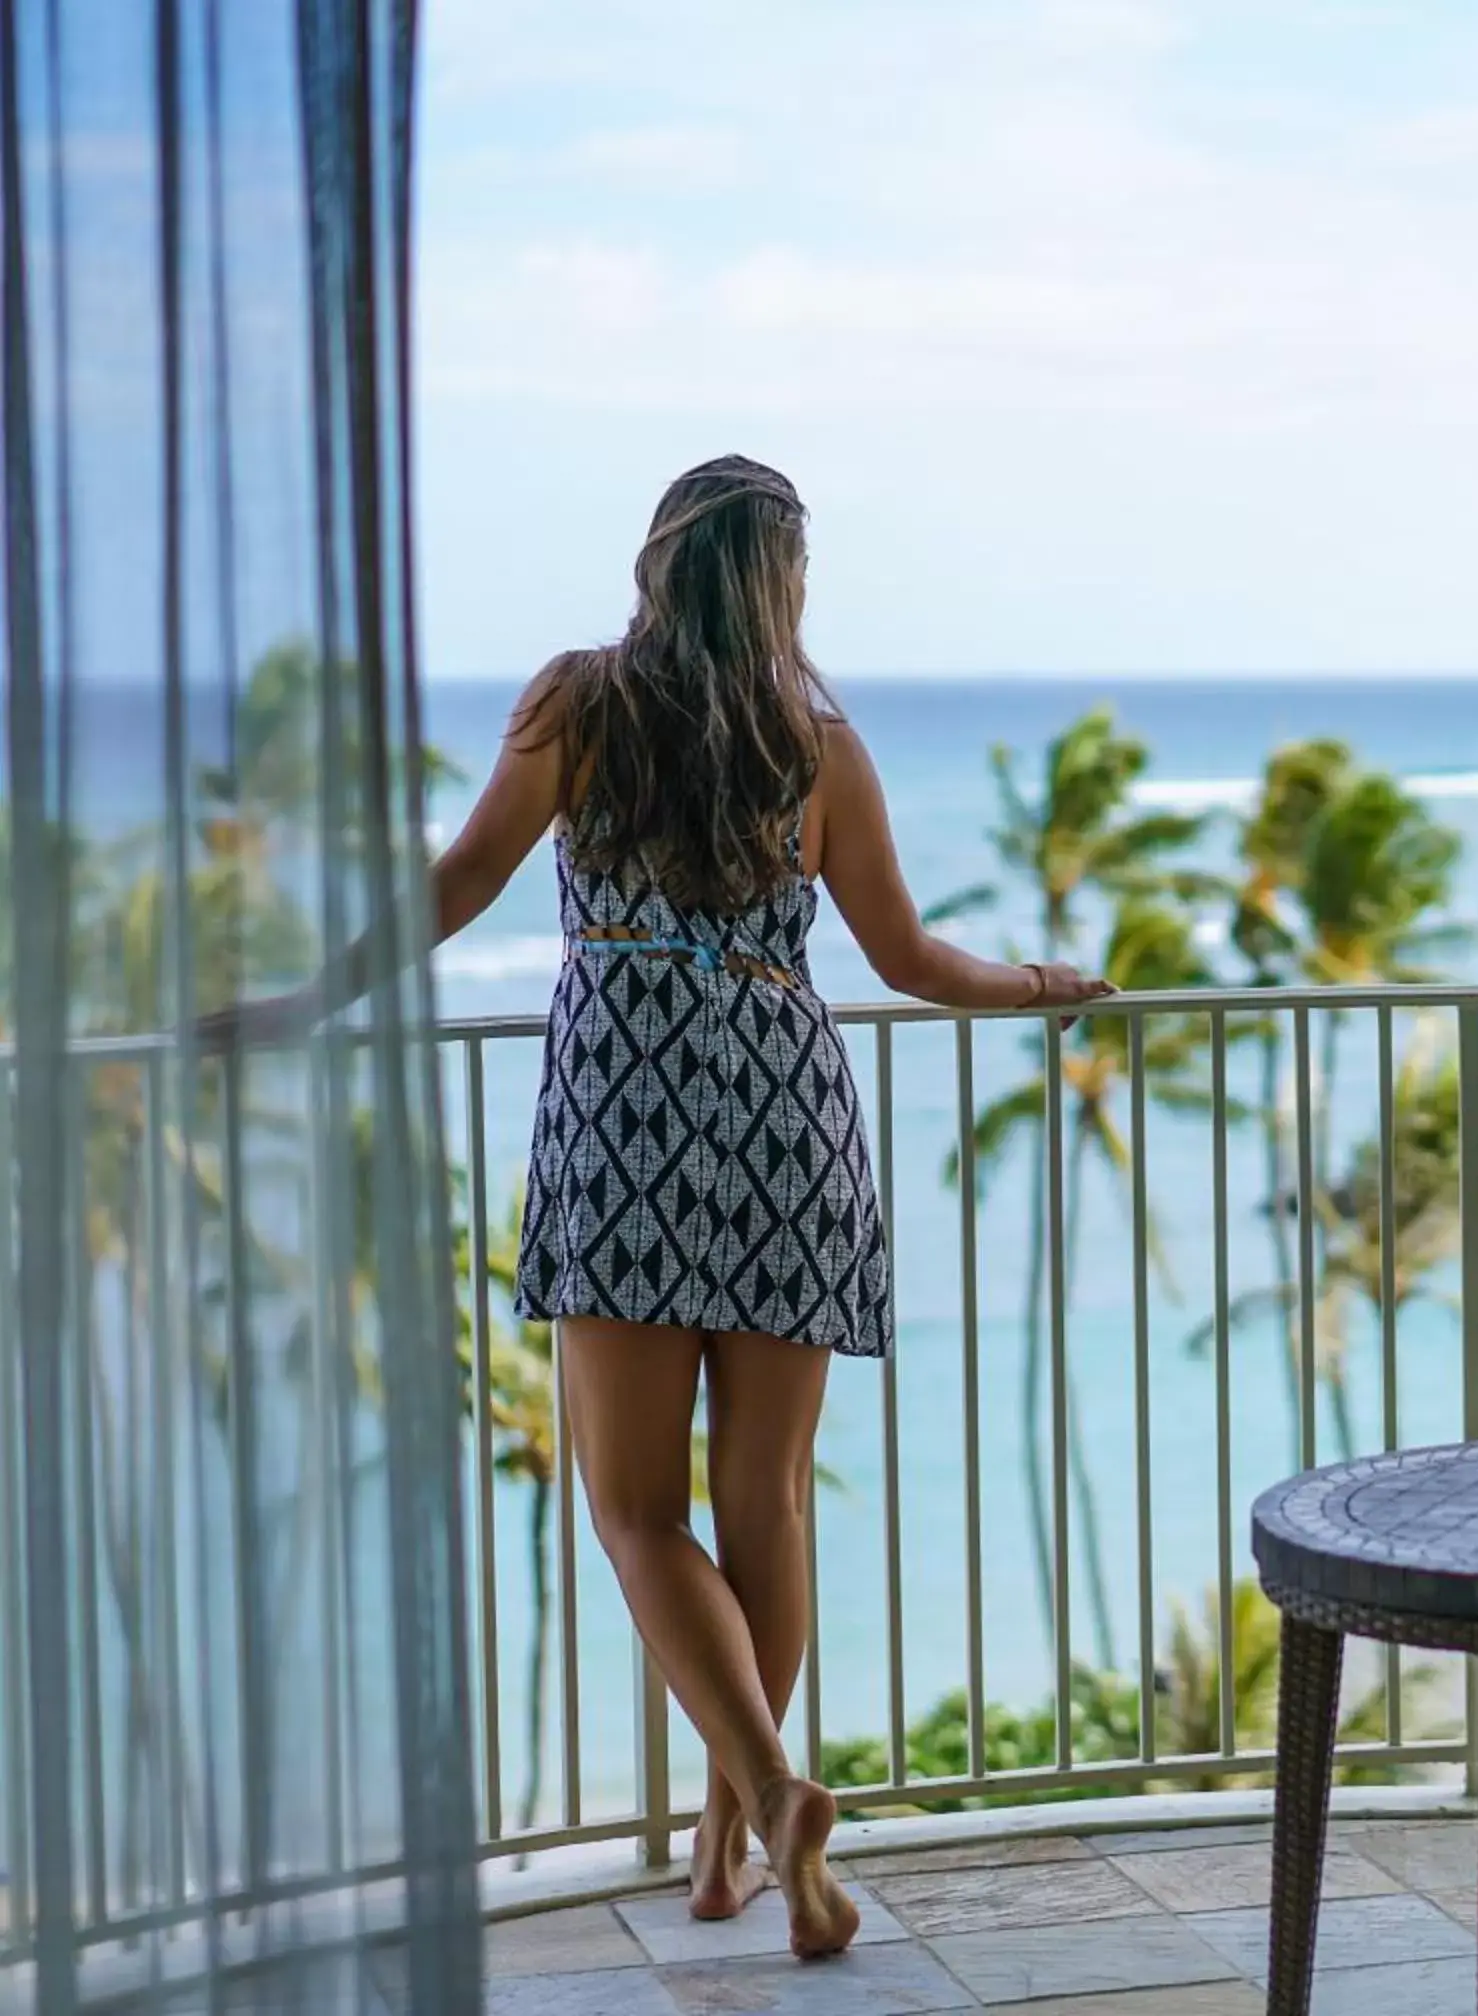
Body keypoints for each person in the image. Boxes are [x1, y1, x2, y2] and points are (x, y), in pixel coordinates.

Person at [223, 455, 1110, 1959]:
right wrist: (1041, 986)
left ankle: (763, 1801)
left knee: (637, 1508)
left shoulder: (578, 704)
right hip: (784, 1116)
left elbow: (456, 887)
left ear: (657, 564)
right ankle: (730, 1849)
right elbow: (901, 958)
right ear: (780, 585)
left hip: (622, 1115)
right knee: (759, 1501)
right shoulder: (816, 743)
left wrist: (308, 999)